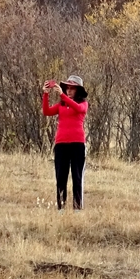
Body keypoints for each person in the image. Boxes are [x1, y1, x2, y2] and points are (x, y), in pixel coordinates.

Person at [42, 75, 88, 210]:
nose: (69, 91)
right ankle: (61, 207)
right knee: (61, 177)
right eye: (67, 88)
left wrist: (62, 96)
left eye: (72, 88)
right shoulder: (61, 105)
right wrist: (45, 95)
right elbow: (46, 111)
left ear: (78, 90)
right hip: (61, 144)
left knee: (77, 176)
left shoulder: (82, 104)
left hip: (77, 144)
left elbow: (79, 109)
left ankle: (77, 208)